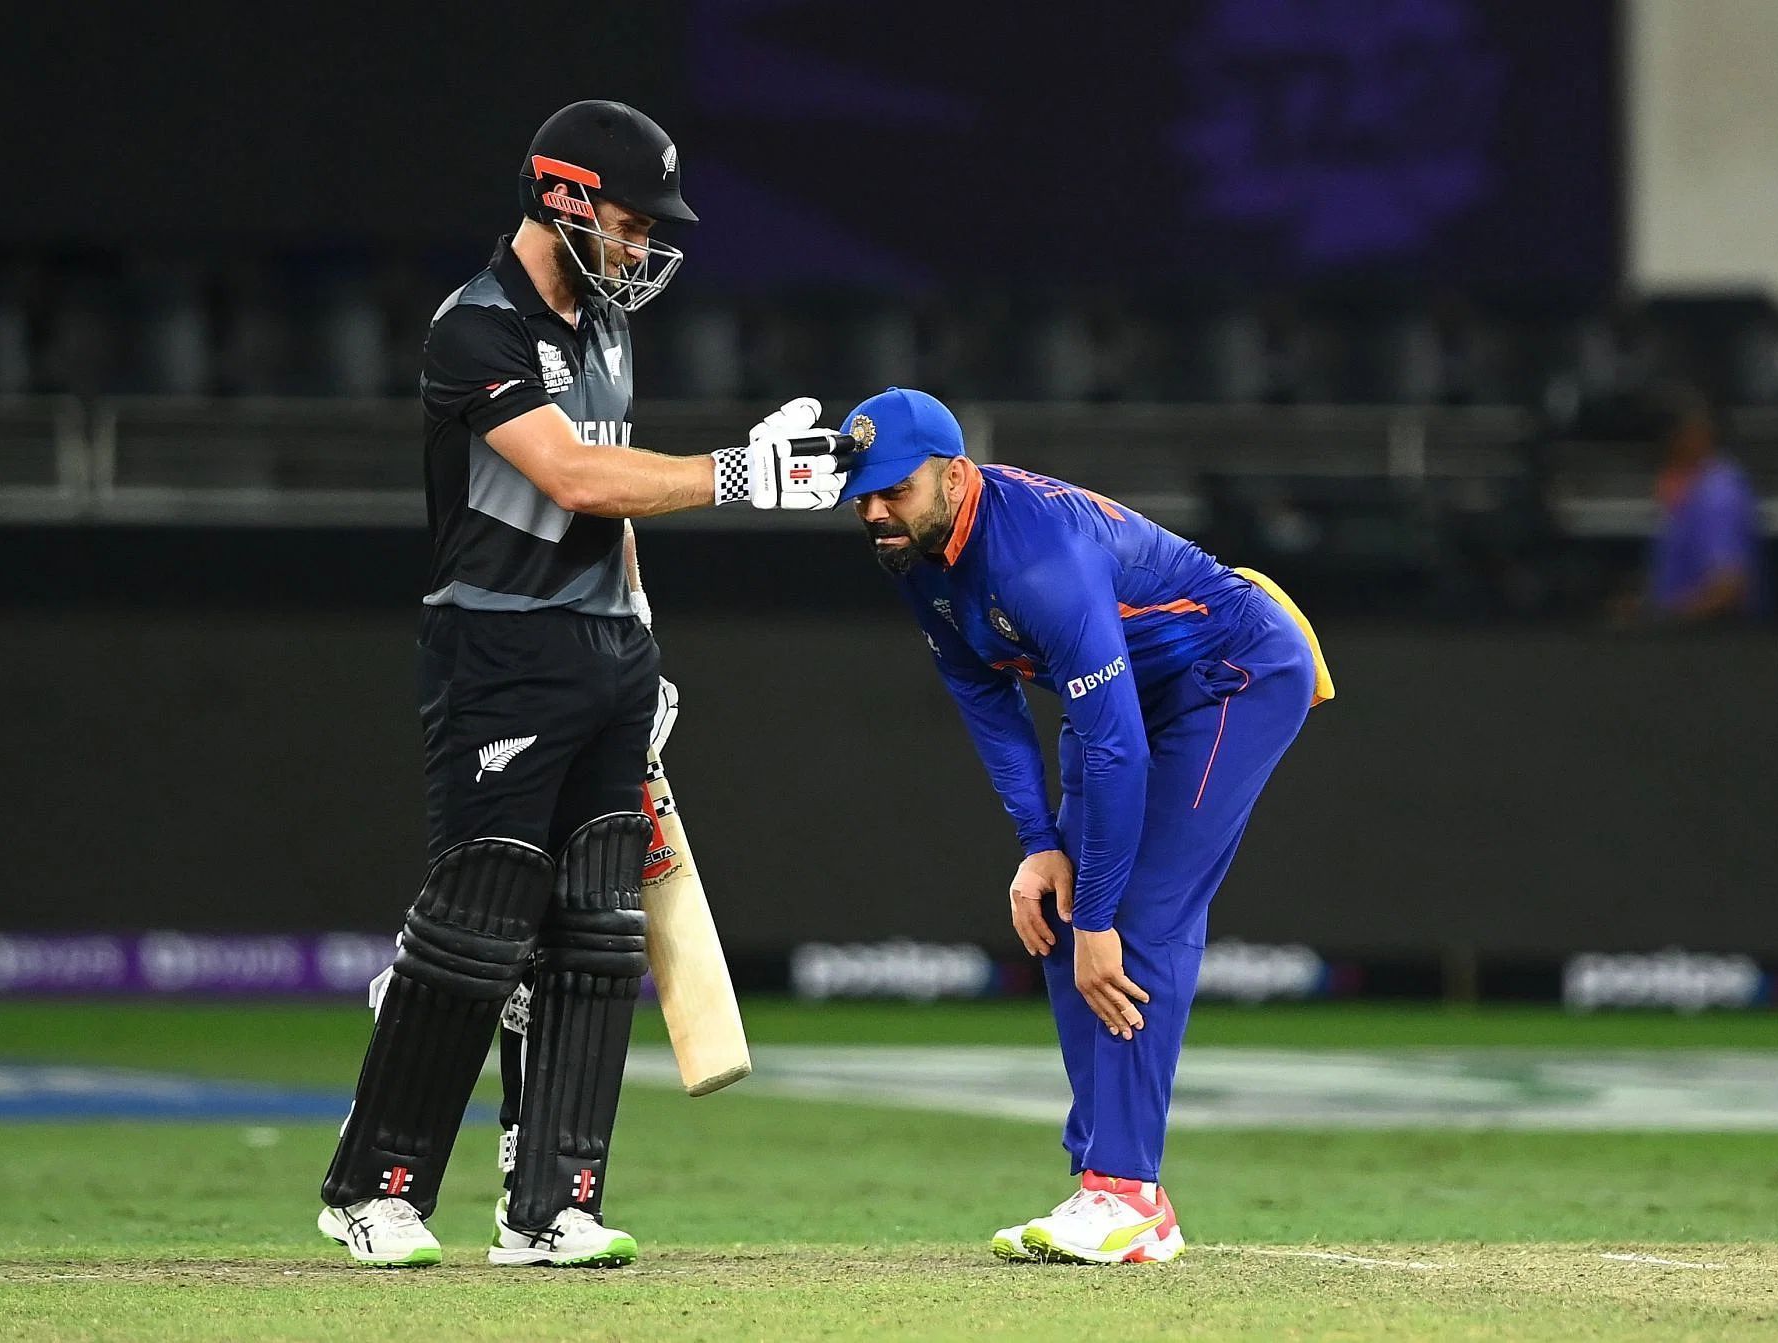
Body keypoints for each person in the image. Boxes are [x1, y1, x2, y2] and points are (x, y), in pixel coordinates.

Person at [317, 100, 847, 1269]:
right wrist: (736, 474)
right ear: (564, 197)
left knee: (598, 934)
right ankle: (377, 1186)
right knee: (478, 926)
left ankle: (548, 1207)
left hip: (606, 648)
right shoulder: (477, 328)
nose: (642, 243)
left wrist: (644, 635)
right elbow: (566, 472)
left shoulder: (606, 327)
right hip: (499, 650)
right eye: (629, 218)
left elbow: (614, 507)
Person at [840, 388, 1333, 1265]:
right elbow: (982, 696)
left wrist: (1102, 916)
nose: (876, 510)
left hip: (1232, 678)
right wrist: (1039, 846)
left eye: (895, 490)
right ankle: (1108, 1190)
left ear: (955, 475)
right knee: (1068, 921)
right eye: (863, 492)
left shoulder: (1036, 559)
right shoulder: (914, 552)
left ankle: (1125, 1192)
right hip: (1125, 705)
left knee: (1135, 920)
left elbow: (1119, 752)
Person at [1638, 387, 1765, 623]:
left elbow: (1728, 588)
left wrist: (1664, 620)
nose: (1670, 443)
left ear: (1698, 434)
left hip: (1713, 644)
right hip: (1682, 639)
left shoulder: (1717, 494)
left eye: (1677, 434)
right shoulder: (1691, 486)